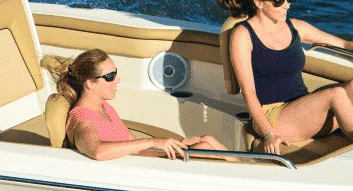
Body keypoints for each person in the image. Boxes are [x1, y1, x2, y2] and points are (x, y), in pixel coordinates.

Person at [210, 0, 353, 155]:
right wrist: (268, 134)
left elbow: (343, 43)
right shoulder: (243, 35)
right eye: (278, 1)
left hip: (303, 111)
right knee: (336, 94)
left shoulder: (295, 27)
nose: (286, 5)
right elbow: (249, 93)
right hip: (273, 117)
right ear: (258, 2)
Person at [53, 48, 227, 161]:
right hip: (135, 176)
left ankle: (242, 176)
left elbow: (134, 147)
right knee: (204, 148)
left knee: (207, 140)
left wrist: (173, 146)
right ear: (90, 83)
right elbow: (98, 151)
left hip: (142, 165)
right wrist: (153, 142)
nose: (117, 80)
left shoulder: (105, 107)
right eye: (110, 77)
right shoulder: (82, 119)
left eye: (115, 73)